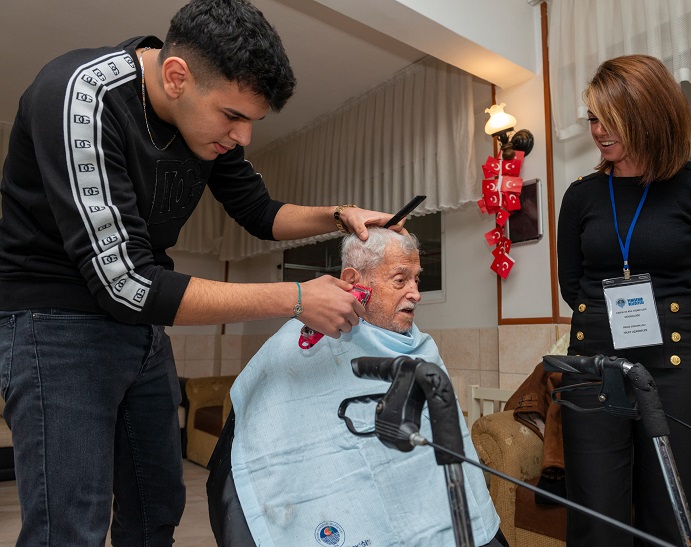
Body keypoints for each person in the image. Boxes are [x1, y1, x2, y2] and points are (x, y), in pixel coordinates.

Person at [0, 0, 398, 544]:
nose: (243, 137)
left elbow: (259, 212)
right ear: (176, 76)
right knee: (70, 525)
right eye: (233, 117)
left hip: (139, 325)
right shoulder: (81, 96)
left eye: (252, 122)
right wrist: (297, 298)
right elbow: (127, 284)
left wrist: (338, 215)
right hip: (55, 322)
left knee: (157, 503)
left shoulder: (205, 126)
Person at [556, 54, 691, 546]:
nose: (598, 130)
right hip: (592, 369)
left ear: (647, 112)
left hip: (676, 372)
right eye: (593, 117)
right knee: (596, 523)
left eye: (610, 118)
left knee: (671, 520)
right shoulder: (581, 195)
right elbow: (572, 286)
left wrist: (680, 325)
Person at [214, 228, 507, 546]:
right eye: (400, 280)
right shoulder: (302, 342)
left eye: (417, 279)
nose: (415, 293)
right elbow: (269, 443)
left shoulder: (422, 350)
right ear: (355, 281)